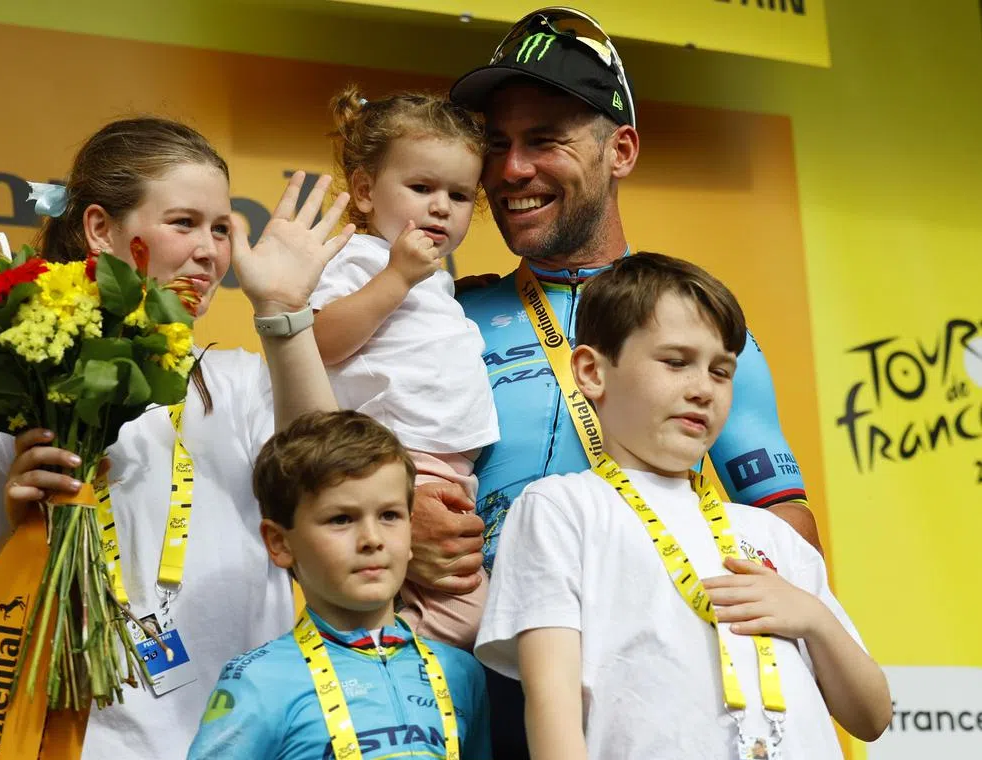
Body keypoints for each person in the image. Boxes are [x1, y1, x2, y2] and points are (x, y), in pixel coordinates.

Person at [432, 10, 824, 754]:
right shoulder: (446, 317)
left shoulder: (695, 324)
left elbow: (787, 527)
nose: (511, 170)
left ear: (622, 150)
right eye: (497, 144)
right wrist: (407, 514)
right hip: (479, 688)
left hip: (652, 692)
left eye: (545, 139)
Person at [0, 116, 354, 759]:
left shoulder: (240, 385)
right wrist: (23, 541)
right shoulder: (9, 390)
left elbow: (336, 490)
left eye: (221, 228)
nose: (210, 251)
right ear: (100, 229)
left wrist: (284, 313)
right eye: (183, 223)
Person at [475, 252, 892, 759]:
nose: (701, 390)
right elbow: (550, 705)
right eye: (675, 362)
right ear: (591, 372)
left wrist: (814, 619)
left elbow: (872, 716)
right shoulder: (561, 509)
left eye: (721, 371)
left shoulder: (769, 534)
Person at [188, 410, 491, 759]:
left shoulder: (460, 672)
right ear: (280, 542)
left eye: (390, 515)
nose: (371, 539)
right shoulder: (258, 680)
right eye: (341, 519)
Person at [310, 86, 499, 646]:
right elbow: (318, 341)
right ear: (365, 191)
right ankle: (386, 671)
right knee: (462, 615)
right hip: (399, 459)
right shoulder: (356, 258)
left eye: (460, 195)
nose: (441, 206)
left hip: (453, 470)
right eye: (421, 188)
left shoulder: (436, 278)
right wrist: (394, 279)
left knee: (454, 608)